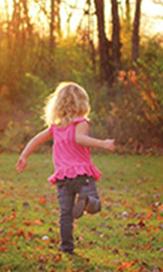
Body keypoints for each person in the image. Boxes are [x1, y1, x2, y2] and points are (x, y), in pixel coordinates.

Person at [15, 82, 115, 254]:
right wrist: (103, 143)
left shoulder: (55, 128)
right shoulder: (80, 122)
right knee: (95, 206)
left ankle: (66, 247)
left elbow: (36, 139)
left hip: (62, 178)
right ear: (82, 103)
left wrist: (24, 155)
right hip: (82, 174)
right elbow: (79, 139)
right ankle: (87, 200)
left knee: (65, 215)